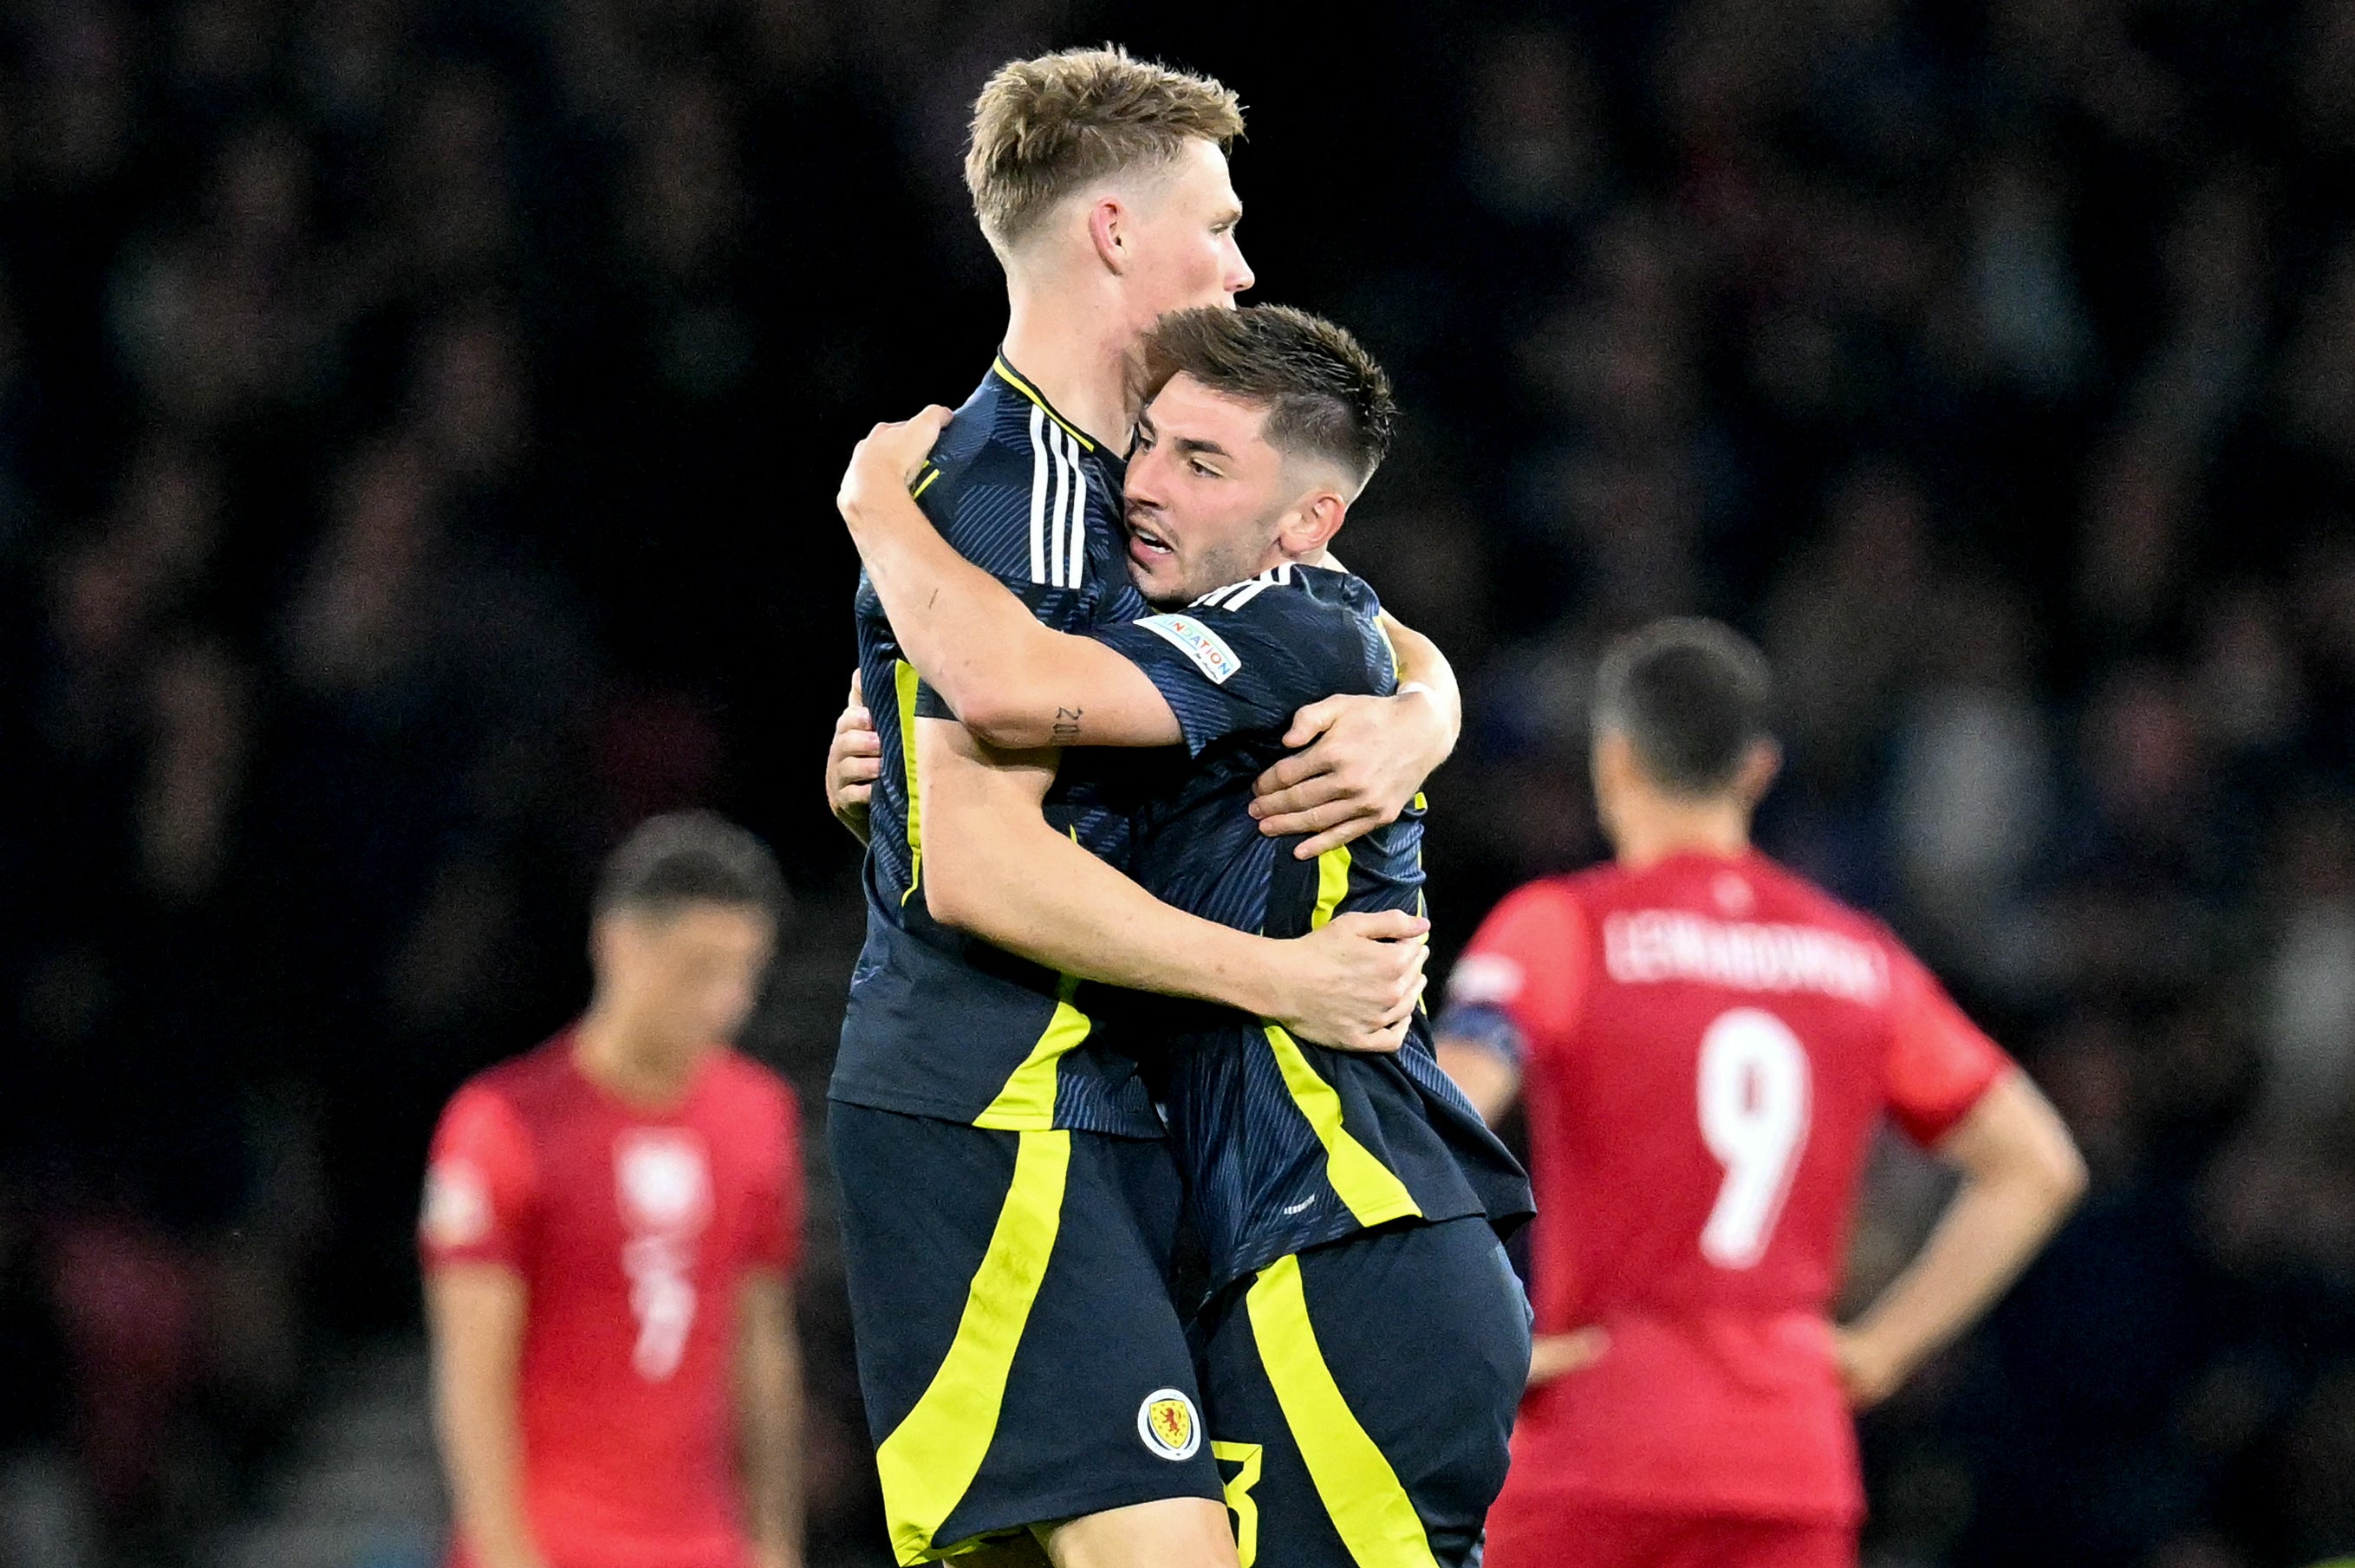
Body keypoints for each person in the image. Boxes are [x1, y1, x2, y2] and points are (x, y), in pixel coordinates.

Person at [826, 48, 1462, 1568]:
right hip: (1000, 1104)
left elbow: (1336, 610)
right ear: (1112, 229)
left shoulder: (1140, 473)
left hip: (1111, 1109)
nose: (1241, 267)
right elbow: (979, 866)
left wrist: (1413, 717)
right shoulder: (1011, 490)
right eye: (1217, 223)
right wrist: (1281, 975)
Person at [1428, 621, 2089, 1568]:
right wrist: (1883, 1349)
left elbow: (1437, 1119)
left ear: (1613, 761)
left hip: (1596, 1441)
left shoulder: (1560, 929)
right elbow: (2039, 1166)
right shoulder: (1855, 956)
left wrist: (1458, 1329)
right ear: (1757, 770)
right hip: (1784, 1459)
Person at [420, 811, 805, 1568]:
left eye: (744, 974)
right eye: (700, 971)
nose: (729, 1002)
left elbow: (760, 1347)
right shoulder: (500, 1125)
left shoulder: (759, 1114)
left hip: (706, 1548)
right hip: (552, 1544)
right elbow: (471, 1377)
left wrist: (774, 1542)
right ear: (620, 944)